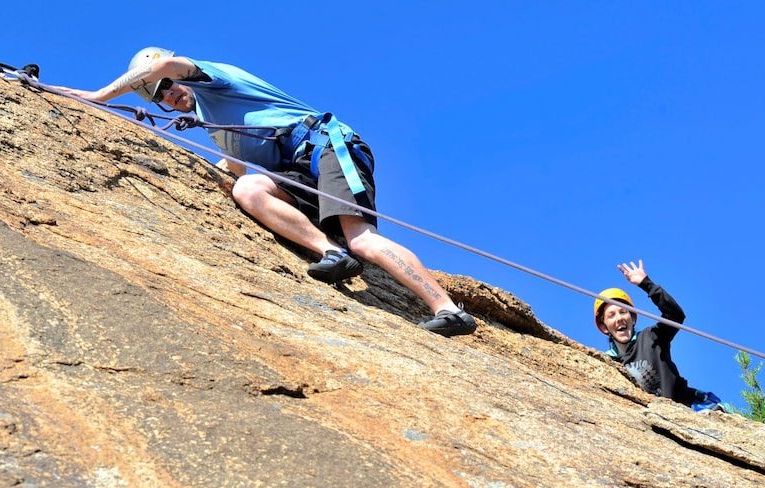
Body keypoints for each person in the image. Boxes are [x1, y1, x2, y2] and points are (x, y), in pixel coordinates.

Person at [57, 47, 476, 337]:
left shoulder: (212, 81)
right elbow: (233, 172)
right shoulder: (216, 126)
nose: (169, 95)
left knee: (362, 237)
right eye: (160, 97)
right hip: (297, 171)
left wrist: (97, 95)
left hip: (326, 147)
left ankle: (448, 309)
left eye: (166, 85)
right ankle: (330, 253)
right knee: (250, 189)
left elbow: (164, 63)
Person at [594, 260, 721, 411]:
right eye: (611, 315)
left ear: (633, 318)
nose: (619, 318)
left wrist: (646, 283)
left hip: (685, 406)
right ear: (604, 326)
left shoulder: (652, 337)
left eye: (623, 311)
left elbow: (675, 315)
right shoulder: (608, 363)